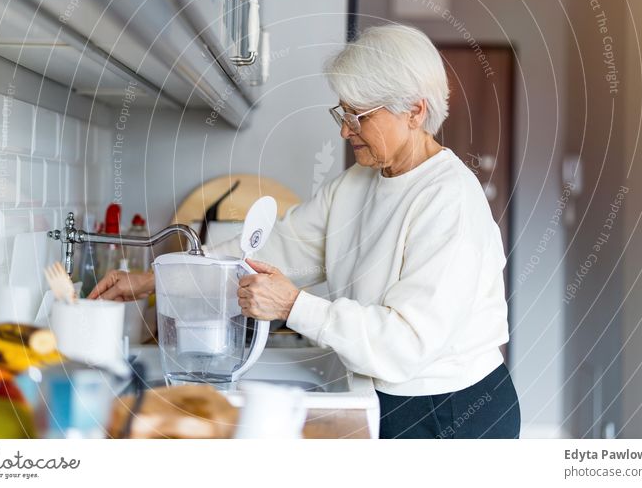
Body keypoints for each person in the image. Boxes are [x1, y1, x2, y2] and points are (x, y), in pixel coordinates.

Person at [89, 24, 521, 439]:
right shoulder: (357, 184)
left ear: (415, 111)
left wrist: (293, 305)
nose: (344, 129)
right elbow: (273, 249)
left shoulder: (448, 201)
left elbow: (404, 344)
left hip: (451, 412)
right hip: (389, 394)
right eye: (343, 111)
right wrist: (153, 281)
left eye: (359, 116)